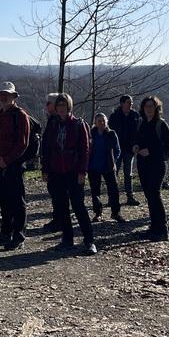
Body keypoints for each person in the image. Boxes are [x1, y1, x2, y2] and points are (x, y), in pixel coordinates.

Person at [41, 94, 96, 255]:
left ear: (69, 106)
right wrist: (45, 169)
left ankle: (89, 241)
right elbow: (46, 148)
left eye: (64, 105)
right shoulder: (52, 125)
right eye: (59, 105)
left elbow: (85, 150)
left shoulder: (78, 124)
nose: (61, 109)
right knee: (61, 207)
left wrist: (82, 171)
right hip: (56, 172)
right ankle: (67, 239)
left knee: (79, 206)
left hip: (73, 171)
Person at [0, 82, 30, 250]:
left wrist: (7, 160)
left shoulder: (20, 116)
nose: (3, 97)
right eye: (1, 95)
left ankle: (19, 236)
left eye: (7, 95)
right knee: (3, 201)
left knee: (17, 202)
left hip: (14, 166)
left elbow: (22, 143)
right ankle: (5, 232)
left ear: (14, 97)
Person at [133, 96, 169, 242]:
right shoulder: (141, 124)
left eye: (151, 106)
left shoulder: (161, 125)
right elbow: (137, 140)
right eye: (146, 106)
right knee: (149, 196)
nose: (149, 109)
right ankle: (154, 227)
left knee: (155, 195)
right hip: (143, 165)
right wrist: (136, 146)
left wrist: (150, 151)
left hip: (157, 165)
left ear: (157, 108)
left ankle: (162, 230)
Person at [88, 112, 123, 223]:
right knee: (95, 191)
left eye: (103, 121)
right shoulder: (90, 134)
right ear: (95, 122)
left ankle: (116, 213)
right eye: (99, 121)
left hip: (108, 166)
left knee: (113, 190)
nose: (102, 123)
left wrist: (113, 161)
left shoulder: (111, 134)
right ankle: (98, 213)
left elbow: (117, 150)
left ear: (106, 122)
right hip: (94, 167)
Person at [109, 95, 141, 206]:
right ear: (122, 103)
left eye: (131, 102)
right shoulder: (114, 116)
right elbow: (110, 133)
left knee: (128, 173)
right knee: (114, 173)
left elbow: (138, 132)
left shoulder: (135, 116)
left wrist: (136, 144)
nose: (131, 104)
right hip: (117, 149)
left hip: (129, 149)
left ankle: (130, 196)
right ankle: (112, 197)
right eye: (128, 102)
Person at [41, 93, 62, 232]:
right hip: (51, 163)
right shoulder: (52, 120)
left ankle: (59, 220)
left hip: (56, 164)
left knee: (58, 193)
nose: (46, 105)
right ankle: (58, 219)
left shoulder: (57, 121)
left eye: (49, 103)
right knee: (54, 192)